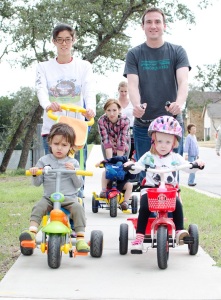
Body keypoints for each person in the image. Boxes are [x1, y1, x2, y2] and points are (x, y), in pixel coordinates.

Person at [123, 7, 191, 182]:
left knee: (172, 178)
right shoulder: (134, 54)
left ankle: (174, 209)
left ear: (164, 26)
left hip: (172, 125)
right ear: (143, 26)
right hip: (144, 126)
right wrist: (137, 106)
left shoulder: (177, 51)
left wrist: (179, 102)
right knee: (146, 179)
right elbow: (132, 85)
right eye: (149, 22)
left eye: (157, 21)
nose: (153, 26)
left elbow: (183, 81)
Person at [124, 116, 205, 254]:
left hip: (169, 191)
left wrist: (197, 165)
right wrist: (131, 165)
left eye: (168, 142)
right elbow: (137, 166)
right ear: (153, 140)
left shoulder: (175, 158)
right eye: (159, 141)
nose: (163, 145)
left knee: (177, 205)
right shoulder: (148, 156)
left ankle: (179, 230)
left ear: (174, 143)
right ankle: (139, 238)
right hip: (150, 190)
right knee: (144, 207)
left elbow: (187, 167)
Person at [36, 23, 96, 196]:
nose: (64, 44)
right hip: (53, 125)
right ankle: (52, 204)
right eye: (60, 40)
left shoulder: (83, 66)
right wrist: (48, 104)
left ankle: (77, 205)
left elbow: (89, 89)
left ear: (73, 40)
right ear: (54, 42)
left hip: (75, 125)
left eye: (67, 40)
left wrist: (90, 108)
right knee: (52, 170)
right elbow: (40, 89)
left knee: (75, 169)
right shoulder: (43, 67)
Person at [19, 123, 90, 253]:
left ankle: (80, 238)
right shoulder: (43, 160)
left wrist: (74, 171)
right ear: (50, 142)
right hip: (49, 198)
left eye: (64, 145)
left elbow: (78, 185)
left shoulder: (73, 162)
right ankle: (32, 232)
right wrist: (35, 173)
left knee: (78, 208)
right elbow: (37, 183)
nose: (59, 148)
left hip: (68, 198)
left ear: (70, 146)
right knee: (38, 206)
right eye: (56, 143)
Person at [118, 81, 135, 159]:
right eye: (122, 91)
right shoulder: (115, 103)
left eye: (125, 91)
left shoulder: (132, 102)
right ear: (118, 90)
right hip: (118, 130)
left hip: (130, 130)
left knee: (131, 151)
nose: (123, 93)